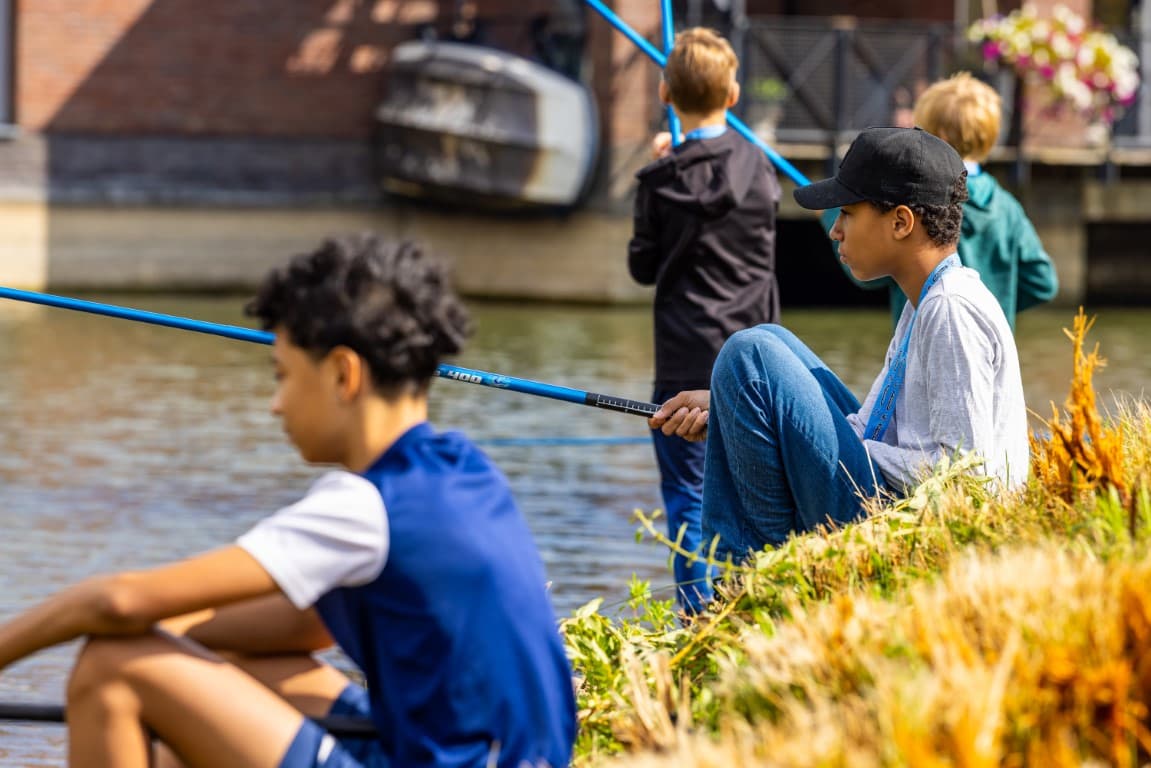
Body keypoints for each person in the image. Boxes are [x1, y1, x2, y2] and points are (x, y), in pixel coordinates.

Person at [0, 236, 577, 768]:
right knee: (250, 670)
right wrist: (166, 631)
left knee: (112, 669)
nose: (276, 405)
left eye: (283, 376)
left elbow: (119, 601)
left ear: (343, 374)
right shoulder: (463, 468)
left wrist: (121, 630)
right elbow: (307, 629)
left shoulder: (366, 504)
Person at [651, 127, 1029, 563]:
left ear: (901, 222)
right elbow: (868, 427)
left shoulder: (950, 309)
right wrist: (742, 416)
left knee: (751, 353)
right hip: (890, 503)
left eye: (847, 213)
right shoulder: (922, 303)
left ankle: (753, 578)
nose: (835, 231)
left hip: (915, 531)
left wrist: (802, 440)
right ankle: (766, 573)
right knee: (772, 343)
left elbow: (967, 475)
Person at [628, 27, 780, 612]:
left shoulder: (661, 180)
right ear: (734, 93)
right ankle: (752, 606)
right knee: (754, 492)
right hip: (755, 357)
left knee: (689, 498)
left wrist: (661, 172)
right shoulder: (762, 172)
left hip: (684, 357)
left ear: (665, 93)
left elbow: (642, 267)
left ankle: (696, 619)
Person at [823, 72, 1058, 330]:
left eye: (920, 131)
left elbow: (867, 277)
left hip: (925, 333)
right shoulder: (1008, 207)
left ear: (940, 136)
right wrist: (997, 306)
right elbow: (1042, 282)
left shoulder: (924, 198)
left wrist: (830, 216)